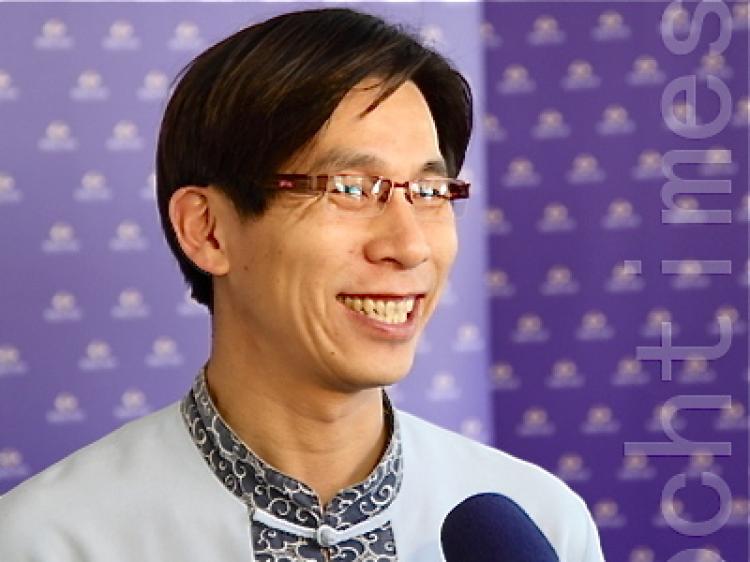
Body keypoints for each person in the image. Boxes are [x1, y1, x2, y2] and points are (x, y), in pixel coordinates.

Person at [0, 8, 604, 561]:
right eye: (348, 188)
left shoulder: (541, 524)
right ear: (207, 230)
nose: (409, 244)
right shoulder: (52, 540)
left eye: (430, 191)